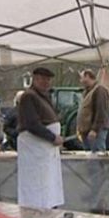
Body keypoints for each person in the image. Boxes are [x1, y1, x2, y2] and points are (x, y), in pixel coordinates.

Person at [16, 67, 64, 209]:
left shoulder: (43, 96)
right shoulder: (28, 96)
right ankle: (37, 210)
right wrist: (51, 137)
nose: (46, 82)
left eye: (48, 80)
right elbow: (32, 124)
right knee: (36, 184)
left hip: (44, 149)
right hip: (34, 147)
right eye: (42, 79)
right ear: (35, 79)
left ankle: (47, 206)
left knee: (47, 182)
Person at [77, 69, 109, 152]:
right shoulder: (87, 92)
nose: (80, 81)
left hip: (96, 132)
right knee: (90, 159)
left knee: (98, 157)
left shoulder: (99, 90)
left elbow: (101, 111)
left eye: (82, 78)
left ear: (88, 76)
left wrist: (94, 130)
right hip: (86, 131)